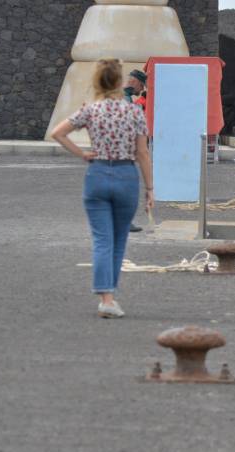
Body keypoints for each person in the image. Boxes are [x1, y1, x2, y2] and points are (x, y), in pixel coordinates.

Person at [50, 59, 153, 318]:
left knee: (102, 239)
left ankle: (105, 296)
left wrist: (83, 154)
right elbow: (142, 153)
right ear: (120, 82)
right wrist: (150, 188)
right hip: (125, 174)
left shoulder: (91, 110)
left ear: (97, 82)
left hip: (97, 173)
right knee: (119, 239)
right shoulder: (134, 112)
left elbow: (58, 133)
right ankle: (109, 298)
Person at [122, 69, 148, 233]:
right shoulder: (126, 101)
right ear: (136, 82)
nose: (142, 89)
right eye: (142, 85)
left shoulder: (125, 97)